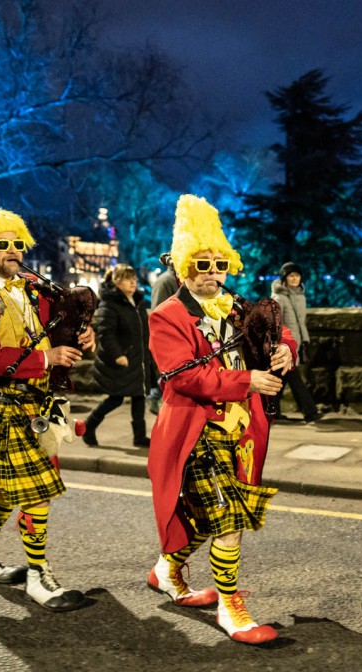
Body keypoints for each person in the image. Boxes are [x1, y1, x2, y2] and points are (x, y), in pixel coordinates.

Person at [146, 194, 295, 645]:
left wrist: (287, 349)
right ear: (183, 268)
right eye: (203, 265)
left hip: (240, 430)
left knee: (203, 517)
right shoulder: (166, 316)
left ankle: (166, 571)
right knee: (228, 519)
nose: (213, 273)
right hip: (196, 432)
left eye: (220, 265)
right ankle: (231, 610)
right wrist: (247, 380)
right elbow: (184, 376)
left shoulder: (235, 305)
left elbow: (279, 332)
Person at [0, 198, 95, 612]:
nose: (13, 251)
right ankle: (39, 577)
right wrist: (47, 359)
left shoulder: (29, 290)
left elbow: (56, 332)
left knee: (10, 490)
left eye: (17, 244)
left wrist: (81, 337)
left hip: (34, 406)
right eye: (2, 244)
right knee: (37, 491)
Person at [83, 264, 152, 447]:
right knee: (116, 398)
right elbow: (106, 334)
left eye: (134, 278)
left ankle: (139, 437)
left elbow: (143, 330)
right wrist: (118, 355)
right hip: (120, 361)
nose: (133, 282)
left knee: (139, 396)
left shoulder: (137, 302)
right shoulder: (109, 303)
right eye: (127, 279)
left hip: (137, 359)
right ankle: (88, 426)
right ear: (116, 281)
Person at [271, 262, 321, 422]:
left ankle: (271, 412)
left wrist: (305, 340)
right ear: (284, 278)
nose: (294, 278)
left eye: (297, 275)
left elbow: (301, 323)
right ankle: (310, 411)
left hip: (296, 344)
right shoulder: (279, 298)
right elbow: (274, 324)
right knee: (294, 379)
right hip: (284, 346)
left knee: (280, 379)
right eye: (291, 275)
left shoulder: (300, 297)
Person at [145, 266, 180, 415]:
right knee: (175, 371)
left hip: (177, 332)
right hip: (171, 335)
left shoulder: (175, 280)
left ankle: (155, 397)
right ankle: (155, 397)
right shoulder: (165, 281)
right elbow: (158, 311)